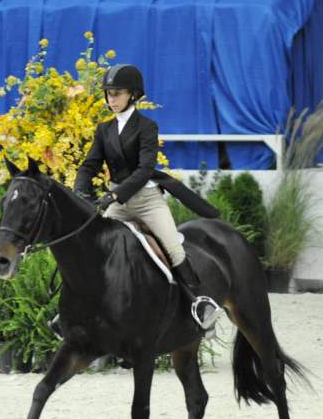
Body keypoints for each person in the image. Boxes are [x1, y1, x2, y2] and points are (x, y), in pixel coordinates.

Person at [74, 64, 221, 330]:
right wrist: (79, 190)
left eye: (117, 93)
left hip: (146, 200)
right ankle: (78, 310)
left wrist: (115, 194)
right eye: (108, 94)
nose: (111, 99)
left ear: (133, 94)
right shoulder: (104, 130)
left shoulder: (146, 126)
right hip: (118, 204)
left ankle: (199, 303)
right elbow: (89, 164)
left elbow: (144, 170)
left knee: (173, 247)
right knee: (92, 247)